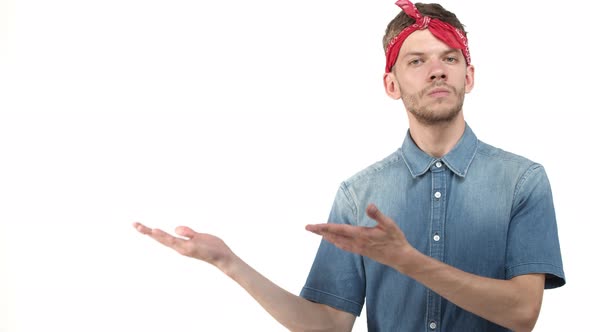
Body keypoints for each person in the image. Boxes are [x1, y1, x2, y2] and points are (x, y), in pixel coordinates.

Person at [133, 0, 565, 331]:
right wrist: (229, 263)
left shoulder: (522, 181)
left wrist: (407, 260)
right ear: (391, 84)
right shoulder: (360, 194)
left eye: (449, 58)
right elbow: (328, 323)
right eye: (417, 61)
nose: (437, 71)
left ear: (468, 76)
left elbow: (523, 312)